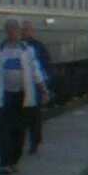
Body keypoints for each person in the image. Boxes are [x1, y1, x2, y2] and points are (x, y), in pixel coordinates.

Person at [0, 18, 49, 175]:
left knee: (18, 130)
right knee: (2, 130)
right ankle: (4, 163)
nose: (13, 32)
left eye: (15, 29)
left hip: (21, 96)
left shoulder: (27, 50)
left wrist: (43, 89)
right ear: (7, 32)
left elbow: (36, 71)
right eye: (10, 29)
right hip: (3, 95)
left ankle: (14, 160)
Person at [19, 21, 53, 155]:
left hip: (35, 88)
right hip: (19, 88)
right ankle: (20, 144)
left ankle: (35, 143)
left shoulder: (37, 46)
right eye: (22, 29)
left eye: (26, 30)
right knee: (19, 118)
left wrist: (44, 87)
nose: (24, 32)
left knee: (34, 118)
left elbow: (45, 65)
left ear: (31, 31)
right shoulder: (14, 46)